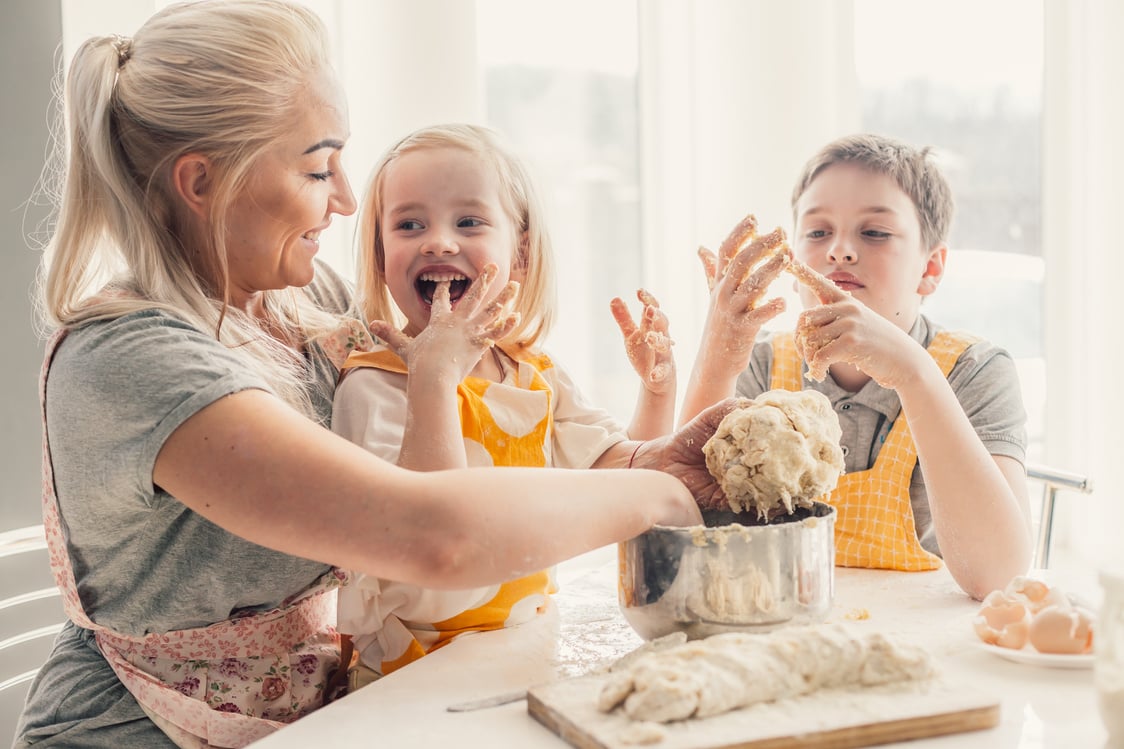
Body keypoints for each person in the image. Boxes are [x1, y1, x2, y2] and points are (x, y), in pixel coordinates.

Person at [14, 3, 735, 747]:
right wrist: (664, 490)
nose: (350, 200)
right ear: (202, 181)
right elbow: (431, 536)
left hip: (313, 713)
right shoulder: (131, 361)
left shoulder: (298, 299)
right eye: (317, 166)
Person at [329, 123, 676, 682]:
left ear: (520, 255)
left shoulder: (534, 373)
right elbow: (428, 538)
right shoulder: (374, 384)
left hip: (523, 646)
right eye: (409, 224)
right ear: (380, 255)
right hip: (409, 669)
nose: (438, 241)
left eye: (468, 222)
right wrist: (435, 377)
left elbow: (619, 474)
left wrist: (657, 393)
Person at [680, 133, 1032, 600]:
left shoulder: (975, 371)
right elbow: (682, 528)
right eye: (818, 232)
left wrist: (914, 373)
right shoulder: (761, 366)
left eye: (875, 233)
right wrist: (716, 358)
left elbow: (997, 577)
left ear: (931, 268)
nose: (840, 251)